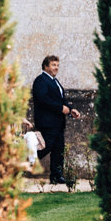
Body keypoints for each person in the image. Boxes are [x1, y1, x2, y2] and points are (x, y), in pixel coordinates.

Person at [32, 55, 80, 184]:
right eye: (53, 65)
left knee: (58, 149)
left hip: (58, 122)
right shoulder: (40, 80)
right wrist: (60, 108)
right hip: (47, 122)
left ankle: (57, 176)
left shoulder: (55, 81)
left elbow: (62, 100)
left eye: (57, 65)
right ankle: (21, 164)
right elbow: (43, 100)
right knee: (44, 147)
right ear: (45, 66)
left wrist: (71, 110)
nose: (56, 68)